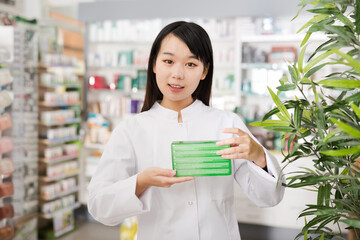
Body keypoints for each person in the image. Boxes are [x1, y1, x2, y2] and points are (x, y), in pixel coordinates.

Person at [87, 21, 284, 240]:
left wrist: (259, 156)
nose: (177, 74)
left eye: (190, 64)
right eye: (168, 61)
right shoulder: (131, 130)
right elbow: (99, 206)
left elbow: (270, 197)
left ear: (204, 71)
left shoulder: (226, 123)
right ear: (153, 64)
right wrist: (142, 181)